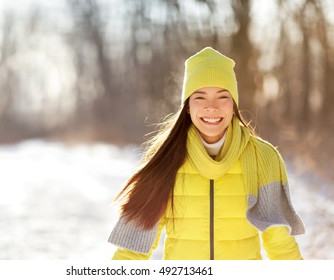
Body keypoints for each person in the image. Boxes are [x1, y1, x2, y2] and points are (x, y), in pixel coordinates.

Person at [108, 47, 305, 260]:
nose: (212, 107)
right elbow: (132, 251)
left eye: (222, 97)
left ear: (233, 104)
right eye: (200, 97)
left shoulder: (263, 158)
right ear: (188, 107)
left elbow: (280, 243)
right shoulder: (166, 159)